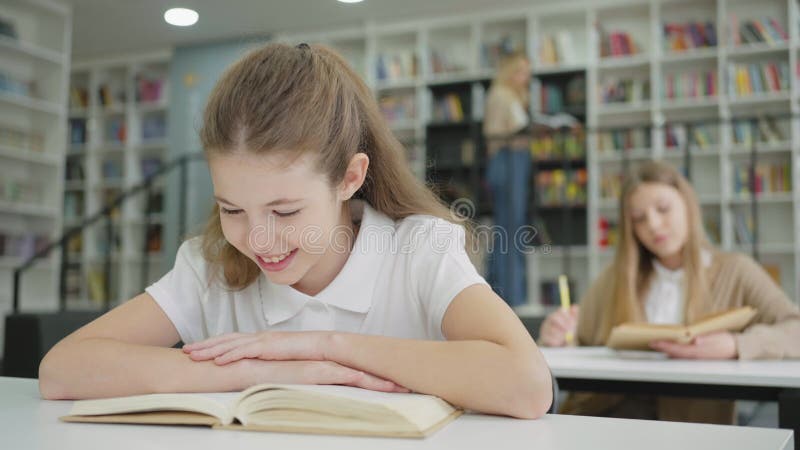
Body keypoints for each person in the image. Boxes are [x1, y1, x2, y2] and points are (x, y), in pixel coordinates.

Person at [38, 43, 553, 419]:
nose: (258, 240)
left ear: (350, 178)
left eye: (284, 213)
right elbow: (63, 369)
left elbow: (528, 384)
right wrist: (255, 372)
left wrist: (326, 345)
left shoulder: (417, 247)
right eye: (231, 209)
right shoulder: (210, 265)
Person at [539, 160, 800, 424]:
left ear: (688, 206)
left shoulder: (735, 271)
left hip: (692, 427)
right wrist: (559, 336)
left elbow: (795, 328)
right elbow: (579, 340)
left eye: (663, 209)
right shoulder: (617, 277)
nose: (653, 225)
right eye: (639, 218)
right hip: (609, 418)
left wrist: (736, 345)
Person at [483, 52, 532, 307]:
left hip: (516, 159)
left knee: (510, 227)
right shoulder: (500, 94)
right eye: (521, 70)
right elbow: (496, 132)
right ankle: (508, 294)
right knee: (509, 229)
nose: (525, 77)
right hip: (507, 159)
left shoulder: (513, 96)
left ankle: (500, 289)